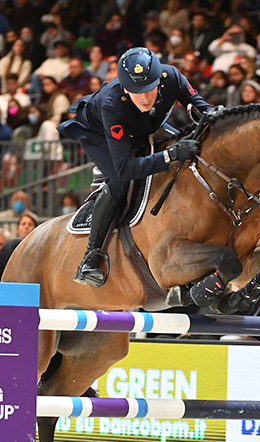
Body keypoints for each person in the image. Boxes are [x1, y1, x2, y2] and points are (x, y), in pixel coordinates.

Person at [57, 47, 213, 288]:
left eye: (149, 87)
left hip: (144, 126)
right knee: (120, 184)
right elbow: (126, 168)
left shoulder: (171, 76)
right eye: (135, 91)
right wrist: (170, 155)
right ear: (124, 87)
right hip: (100, 134)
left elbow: (204, 109)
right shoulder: (113, 103)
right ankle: (91, 256)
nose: (144, 98)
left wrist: (219, 117)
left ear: (159, 79)